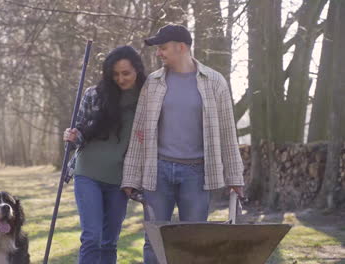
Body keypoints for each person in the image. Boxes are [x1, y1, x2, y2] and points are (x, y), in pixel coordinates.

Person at [121, 24, 245, 264]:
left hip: (197, 175)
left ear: (181, 47)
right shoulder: (153, 83)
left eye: (163, 48)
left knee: (195, 243)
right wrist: (130, 178)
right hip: (157, 173)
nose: (159, 53)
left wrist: (235, 178)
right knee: (154, 241)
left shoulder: (214, 82)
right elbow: (140, 132)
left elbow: (228, 133)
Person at [63, 45, 146, 264]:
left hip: (120, 180)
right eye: (115, 74)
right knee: (92, 238)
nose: (120, 79)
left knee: (109, 242)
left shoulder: (148, 100)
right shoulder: (95, 94)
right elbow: (80, 130)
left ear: (137, 69)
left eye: (126, 73)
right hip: (88, 172)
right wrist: (72, 136)